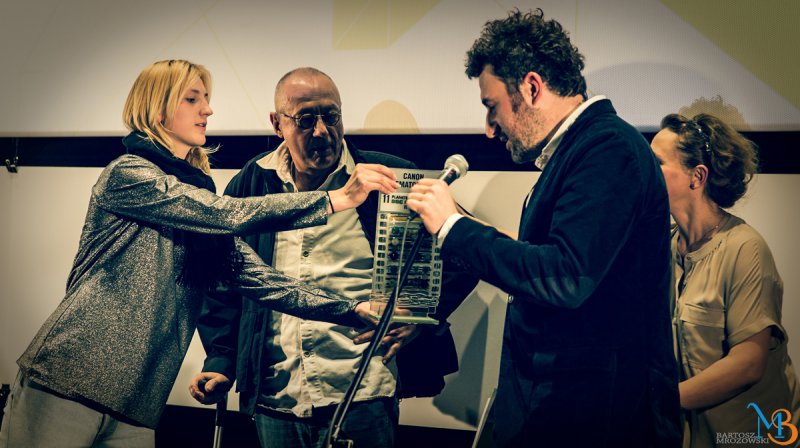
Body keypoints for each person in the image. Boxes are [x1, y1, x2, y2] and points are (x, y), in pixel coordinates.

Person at [0, 59, 399, 448]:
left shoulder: (196, 192)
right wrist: (334, 199)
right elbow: (226, 213)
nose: (208, 109)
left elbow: (261, 280)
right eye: (192, 99)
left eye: (206, 99)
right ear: (157, 109)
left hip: (137, 401)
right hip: (67, 379)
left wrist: (352, 310)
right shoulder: (128, 175)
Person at [406, 9, 681, 447]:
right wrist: (463, 224)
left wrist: (454, 229)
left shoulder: (607, 148)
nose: (489, 130)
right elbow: (558, 261)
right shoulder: (584, 149)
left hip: (597, 420)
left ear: (532, 87)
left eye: (492, 107)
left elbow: (566, 276)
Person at [189, 67, 477, 448]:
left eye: (331, 116)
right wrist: (221, 361)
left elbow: (464, 253)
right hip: (277, 396)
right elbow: (222, 279)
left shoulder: (386, 179)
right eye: (306, 119)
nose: (322, 131)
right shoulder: (253, 183)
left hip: (362, 393)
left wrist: (417, 316)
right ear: (277, 124)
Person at [651, 113, 800, 447]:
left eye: (656, 163)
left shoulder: (745, 248)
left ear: (697, 176)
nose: (644, 171)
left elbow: (748, 363)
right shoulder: (664, 245)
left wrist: (661, 402)